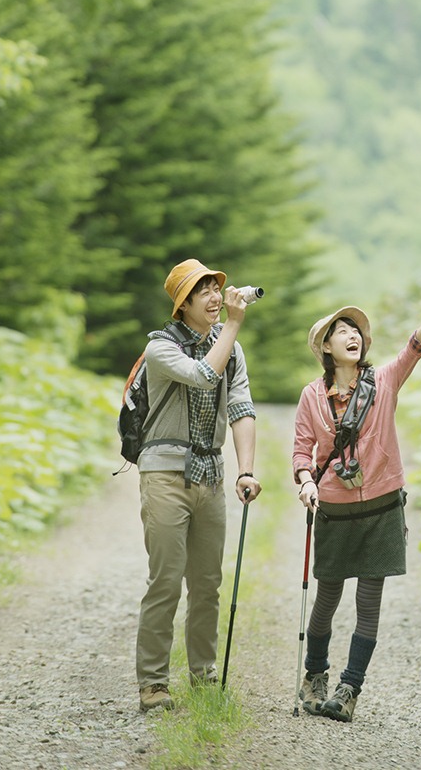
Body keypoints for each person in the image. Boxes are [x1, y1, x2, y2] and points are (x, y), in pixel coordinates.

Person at [292, 283, 421, 723]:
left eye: (356, 330)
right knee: (327, 599)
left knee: (369, 602)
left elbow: (415, 347)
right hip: (333, 508)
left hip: (383, 509)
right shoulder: (313, 397)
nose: (352, 335)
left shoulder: (383, 382)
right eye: (341, 330)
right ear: (326, 347)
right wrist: (306, 481)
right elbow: (301, 449)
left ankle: (349, 689)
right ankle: (315, 675)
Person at [135, 258, 262, 713]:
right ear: (182, 304)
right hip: (164, 474)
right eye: (203, 291)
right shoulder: (160, 349)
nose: (214, 296)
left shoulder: (233, 348)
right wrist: (232, 322)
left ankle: (203, 674)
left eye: (217, 288)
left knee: (207, 583)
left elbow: (242, 408)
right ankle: (153, 683)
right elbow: (204, 373)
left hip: (211, 476)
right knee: (166, 580)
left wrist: (246, 470)